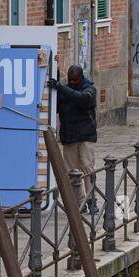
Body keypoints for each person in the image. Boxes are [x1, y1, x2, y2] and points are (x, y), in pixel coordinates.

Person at [50, 65, 98, 214]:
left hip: (85, 135)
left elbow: (83, 99)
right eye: (70, 80)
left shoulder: (89, 89)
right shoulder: (64, 90)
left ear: (81, 78)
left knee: (87, 167)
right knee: (71, 170)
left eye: (75, 80)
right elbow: (55, 106)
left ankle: (91, 200)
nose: (72, 83)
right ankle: (79, 201)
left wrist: (61, 88)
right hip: (69, 135)